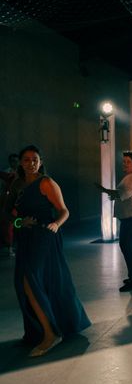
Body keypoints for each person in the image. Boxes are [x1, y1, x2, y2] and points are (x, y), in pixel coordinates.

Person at [5, 145, 90, 357]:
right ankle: (38, 330)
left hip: (45, 235)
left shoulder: (46, 182)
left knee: (30, 280)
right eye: (26, 159)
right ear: (21, 162)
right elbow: (7, 213)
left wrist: (56, 225)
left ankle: (50, 334)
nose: (31, 163)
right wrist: (18, 222)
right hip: (25, 238)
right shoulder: (16, 184)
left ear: (40, 162)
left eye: (35, 159)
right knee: (25, 283)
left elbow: (63, 210)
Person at [97, 151, 132, 291]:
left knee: (127, 247)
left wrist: (105, 190)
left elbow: (123, 194)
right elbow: (122, 195)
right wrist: (111, 193)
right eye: (124, 161)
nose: (125, 164)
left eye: (128, 162)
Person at [0, 153, 19, 255]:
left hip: (20, 202)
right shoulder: (7, 173)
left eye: (16, 161)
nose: (14, 163)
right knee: (8, 225)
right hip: (9, 201)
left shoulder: (23, 173)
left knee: (20, 224)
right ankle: (9, 247)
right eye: (12, 161)